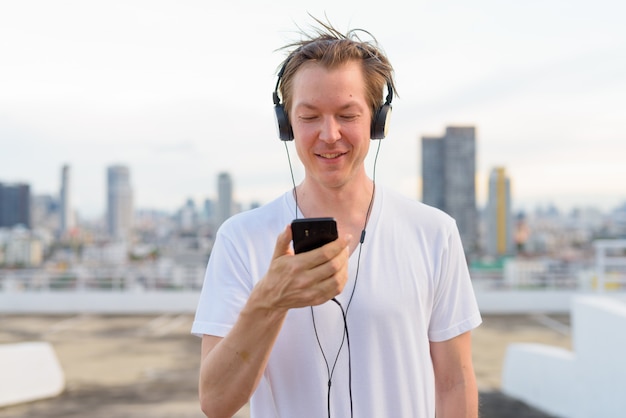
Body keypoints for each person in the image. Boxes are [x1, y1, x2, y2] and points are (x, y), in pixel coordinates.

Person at [192, 18, 482, 418]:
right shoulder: (241, 238)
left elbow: (455, 383)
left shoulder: (434, 233)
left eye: (347, 114)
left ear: (377, 122)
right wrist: (269, 300)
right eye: (310, 117)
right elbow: (216, 402)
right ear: (287, 125)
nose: (329, 135)